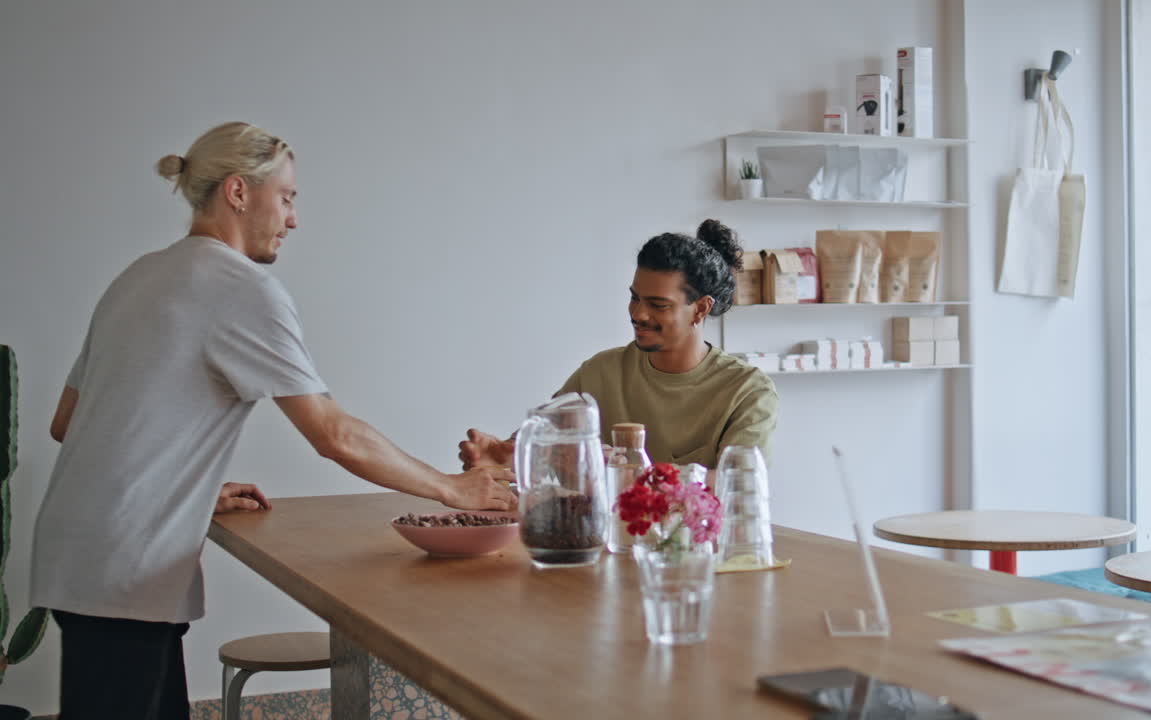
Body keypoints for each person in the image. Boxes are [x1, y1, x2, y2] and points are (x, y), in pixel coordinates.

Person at [29, 121, 515, 720]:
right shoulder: (239, 288)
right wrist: (451, 488)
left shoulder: (140, 275)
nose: (293, 218)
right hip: (125, 569)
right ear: (238, 192)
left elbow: (68, 422)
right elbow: (333, 434)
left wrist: (191, 489)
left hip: (84, 554)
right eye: (286, 198)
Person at [460, 219, 778, 473]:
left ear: (700, 308)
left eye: (658, 304)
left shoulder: (748, 391)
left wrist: (624, 469)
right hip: (608, 544)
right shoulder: (600, 372)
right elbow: (543, 443)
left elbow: (739, 486)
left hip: (702, 551)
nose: (638, 313)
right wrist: (505, 457)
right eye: (634, 297)